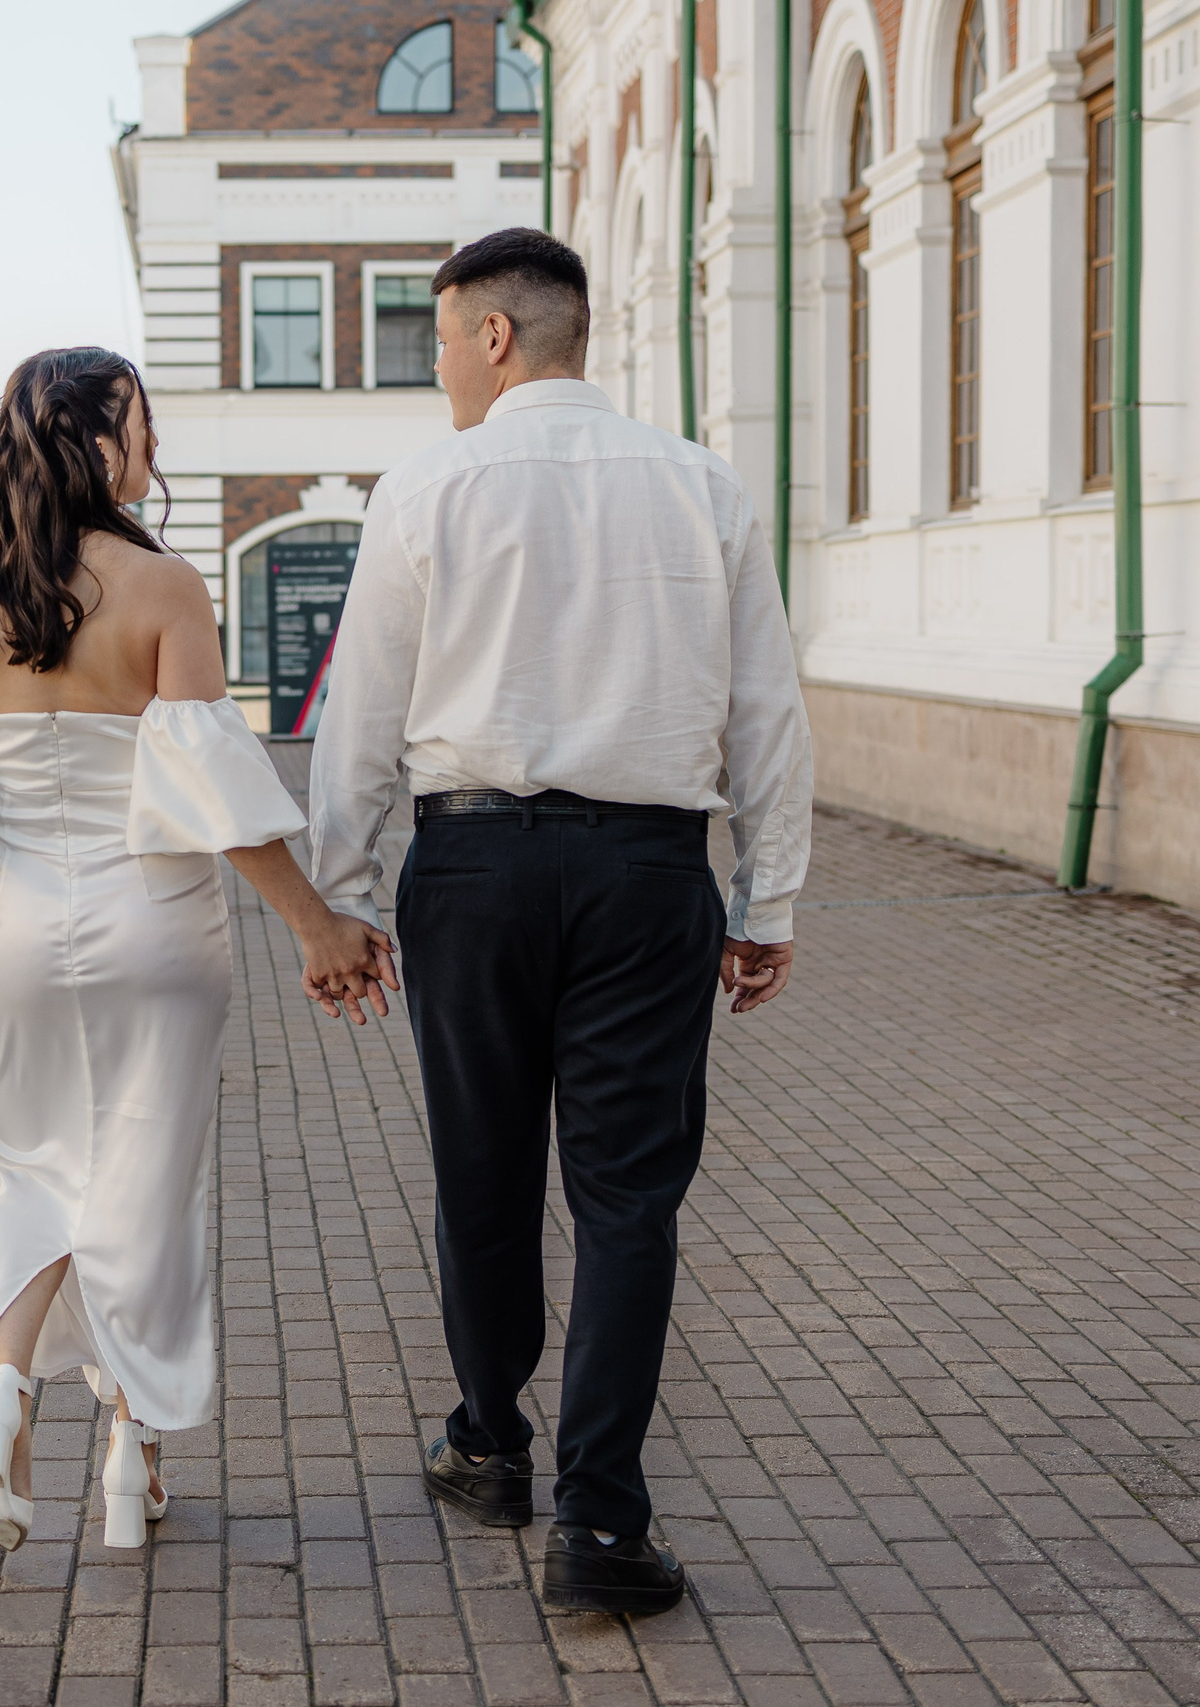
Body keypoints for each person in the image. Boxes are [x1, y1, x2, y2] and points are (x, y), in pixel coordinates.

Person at [307, 227, 813, 1615]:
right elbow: (766, 706)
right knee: (628, 1193)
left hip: (470, 868)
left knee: (483, 1168)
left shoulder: (432, 487)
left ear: (495, 336)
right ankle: (600, 1520)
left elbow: (364, 714)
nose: (439, 370)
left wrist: (339, 901)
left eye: (440, 340)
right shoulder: (702, 483)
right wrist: (767, 896)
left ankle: (488, 1439)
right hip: (651, 873)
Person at [0, 347, 396, 1553]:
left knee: (39, 1167)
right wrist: (318, 926)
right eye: (146, 428)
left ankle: (2, 1400)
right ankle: (127, 1452)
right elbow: (208, 786)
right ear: (100, 440)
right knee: (143, 1190)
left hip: (9, 937)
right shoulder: (163, 589)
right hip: (155, 927)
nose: (161, 452)